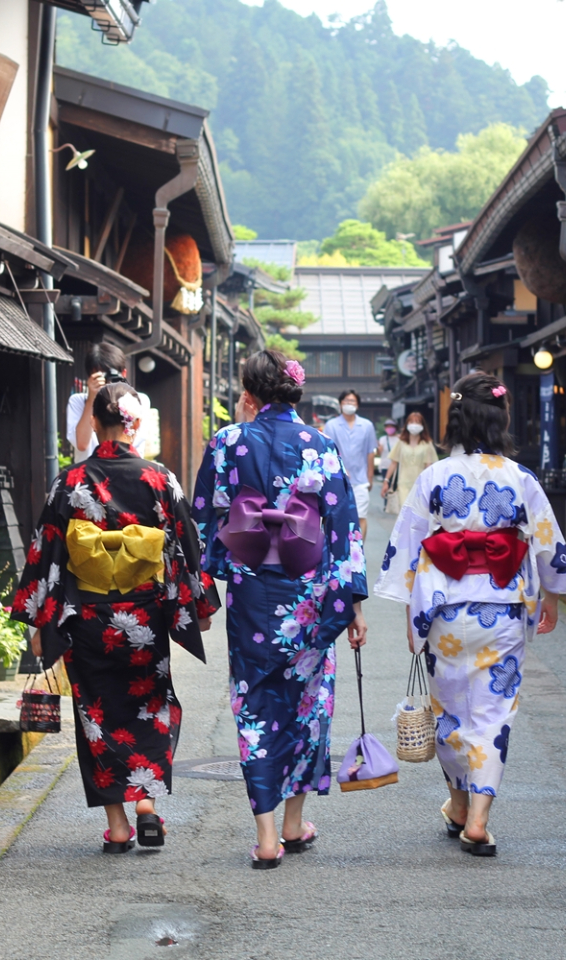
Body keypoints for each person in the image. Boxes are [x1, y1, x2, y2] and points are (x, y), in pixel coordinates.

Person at [375, 373, 566, 857]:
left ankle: (459, 804)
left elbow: (408, 545)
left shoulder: (435, 476)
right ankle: (478, 818)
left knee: (448, 709)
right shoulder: (519, 477)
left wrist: (411, 616)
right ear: (501, 420)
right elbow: (547, 541)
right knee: (493, 713)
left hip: (444, 609)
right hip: (502, 608)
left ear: (456, 421)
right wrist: (552, 596)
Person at [12, 381, 216, 854]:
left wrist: (41, 624)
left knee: (97, 716)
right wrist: (198, 607)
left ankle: (119, 827)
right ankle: (146, 802)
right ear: (134, 424)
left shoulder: (69, 481)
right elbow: (187, 544)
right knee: (151, 707)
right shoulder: (160, 479)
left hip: (86, 618)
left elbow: (46, 552)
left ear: (95, 421)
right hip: (144, 618)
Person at [192, 350, 368, 869]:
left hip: (250, 592)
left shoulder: (227, 441)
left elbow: (203, 517)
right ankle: (294, 822)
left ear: (250, 394)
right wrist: (353, 605)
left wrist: (207, 582)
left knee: (254, 706)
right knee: (307, 704)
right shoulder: (320, 443)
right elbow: (343, 528)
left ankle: (268, 836)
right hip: (309, 593)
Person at [66, 342, 155, 462]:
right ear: (90, 377)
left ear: (123, 374)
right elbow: (82, 445)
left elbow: (132, 442)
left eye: (112, 375)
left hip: (128, 468)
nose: (108, 381)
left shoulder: (139, 400)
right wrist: (91, 399)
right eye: (101, 376)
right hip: (91, 471)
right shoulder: (78, 401)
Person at [324, 389, 376, 538]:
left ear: (357, 404)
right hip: (338, 479)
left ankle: (360, 548)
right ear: (340, 404)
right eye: (346, 401)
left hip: (361, 480)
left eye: (352, 401)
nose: (349, 403)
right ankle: (341, 547)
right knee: (338, 517)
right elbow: (328, 451)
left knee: (361, 516)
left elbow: (370, 452)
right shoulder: (331, 425)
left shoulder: (366, 425)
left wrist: (370, 477)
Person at [380, 412, 437, 515]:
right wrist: (386, 481)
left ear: (422, 425)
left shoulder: (427, 443)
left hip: (420, 485)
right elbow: (394, 463)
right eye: (412, 422)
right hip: (403, 484)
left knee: (418, 514)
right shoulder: (401, 442)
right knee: (405, 512)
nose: (414, 425)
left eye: (417, 422)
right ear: (407, 424)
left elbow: (428, 466)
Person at [377, 419, 400, 503]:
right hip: (385, 466)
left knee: (395, 486)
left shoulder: (399, 439)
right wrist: (379, 448)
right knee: (386, 485)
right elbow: (379, 453)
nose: (389, 428)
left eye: (391, 426)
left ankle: (395, 504)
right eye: (388, 426)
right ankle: (387, 505)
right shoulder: (383, 439)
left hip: (396, 467)